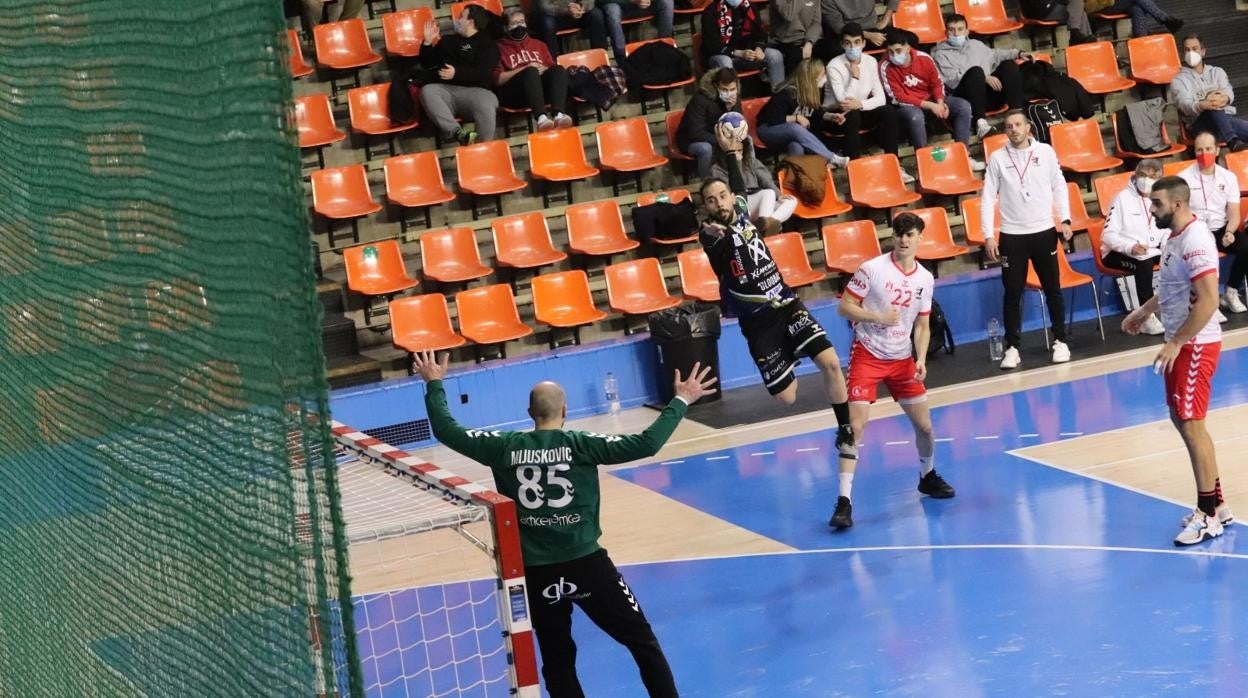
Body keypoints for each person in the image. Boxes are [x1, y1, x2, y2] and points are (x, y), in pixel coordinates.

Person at [415, 349, 718, 697]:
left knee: (558, 660)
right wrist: (682, 398)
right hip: (587, 566)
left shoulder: (503, 447)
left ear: (529, 413)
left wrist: (434, 382)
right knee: (642, 643)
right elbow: (648, 443)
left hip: (536, 572)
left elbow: (446, 429)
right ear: (565, 411)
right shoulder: (581, 445)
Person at [698, 176, 855, 454]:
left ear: (733, 197)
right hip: (758, 321)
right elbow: (721, 238)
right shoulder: (709, 235)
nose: (719, 203)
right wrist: (738, 229)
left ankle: (845, 429)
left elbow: (741, 179)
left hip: (785, 302)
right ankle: (791, 352)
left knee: (830, 362)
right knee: (787, 397)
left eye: (723, 195)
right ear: (706, 206)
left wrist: (736, 148)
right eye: (711, 199)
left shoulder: (743, 208)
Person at [827, 212, 955, 530]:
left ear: (920, 237)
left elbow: (923, 324)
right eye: (898, 233)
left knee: (925, 428)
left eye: (909, 234)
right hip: (868, 355)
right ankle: (844, 501)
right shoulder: (872, 270)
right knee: (854, 428)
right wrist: (877, 317)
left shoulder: (925, 278)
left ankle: (927, 476)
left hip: (903, 360)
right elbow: (844, 306)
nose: (903, 239)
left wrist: (921, 357)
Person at [1122, 177, 1232, 545]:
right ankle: (1218, 504)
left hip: (1195, 343)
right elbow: (1171, 289)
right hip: (1180, 341)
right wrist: (1141, 312)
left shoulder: (1197, 242)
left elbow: (1209, 301)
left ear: (1178, 204)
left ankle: (1207, 515)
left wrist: (1177, 343)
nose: (1152, 209)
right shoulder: (1175, 238)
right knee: (1185, 421)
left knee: (1191, 423)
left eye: (1157, 204)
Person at [980, 110, 1073, 368]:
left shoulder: (1045, 152)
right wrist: (988, 235)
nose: (1013, 129)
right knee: (1012, 294)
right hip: (1012, 235)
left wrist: (1065, 219)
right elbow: (988, 198)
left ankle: (1060, 341)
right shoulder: (998, 158)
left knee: (1053, 288)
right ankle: (1012, 348)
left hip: (1043, 231)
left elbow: (1059, 185)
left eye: (1018, 124)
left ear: (1028, 126)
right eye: (1008, 126)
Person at [879, 30, 982, 170]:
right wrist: (930, 105)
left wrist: (940, 102)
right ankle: (924, 163)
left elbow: (937, 83)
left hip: (932, 100)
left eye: (898, 50)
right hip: (908, 106)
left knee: (963, 106)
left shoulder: (924, 58)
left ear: (908, 48)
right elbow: (898, 97)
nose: (894, 55)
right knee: (915, 117)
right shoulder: (885, 65)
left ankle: (964, 155)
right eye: (890, 52)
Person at [1178, 132, 1247, 313]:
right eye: (1199, 150)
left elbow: (1233, 213)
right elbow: (1179, 214)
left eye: (1208, 149)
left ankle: (1231, 292)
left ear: (1217, 150)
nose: (1204, 153)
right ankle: (1208, 301)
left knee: (1245, 246)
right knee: (1203, 255)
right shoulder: (1183, 178)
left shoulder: (1228, 177)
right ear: (1194, 152)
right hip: (1195, 231)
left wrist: (1230, 232)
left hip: (1220, 228)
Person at [823, 22, 904, 177]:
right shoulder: (834, 66)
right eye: (848, 43)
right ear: (842, 44)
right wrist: (855, 76)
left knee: (888, 111)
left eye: (857, 42)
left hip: (860, 109)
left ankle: (895, 164)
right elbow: (844, 102)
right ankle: (855, 170)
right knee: (852, 114)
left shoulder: (871, 61)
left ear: (864, 43)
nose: (853, 47)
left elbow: (880, 98)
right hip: (836, 117)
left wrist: (861, 104)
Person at [931, 13, 1029, 141]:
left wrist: (1019, 53)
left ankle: (1017, 115)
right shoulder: (939, 54)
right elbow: (952, 80)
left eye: (960, 29)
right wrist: (984, 77)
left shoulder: (976, 44)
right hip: (966, 98)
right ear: (946, 32)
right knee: (976, 72)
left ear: (967, 31)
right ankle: (981, 124)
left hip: (988, 95)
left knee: (1008, 65)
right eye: (952, 30)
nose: (956, 34)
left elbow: (996, 54)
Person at [1101, 159, 1165, 335]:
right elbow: (1107, 235)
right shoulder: (1121, 198)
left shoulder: (1161, 198)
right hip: (1116, 253)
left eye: (1153, 176)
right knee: (1143, 264)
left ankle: (1188, 306)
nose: (1146, 180)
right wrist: (1130, 247)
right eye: (1143, 175)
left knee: (1179, 256)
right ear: (1135, 176)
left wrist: (1168, 245)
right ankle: (1144, 317)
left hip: (1152, 250)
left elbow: (1167, 228)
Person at [420, 5, 500, 145]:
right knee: (428, 91)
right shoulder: (447, 41)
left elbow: (483, 72)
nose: (456, 20)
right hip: (448, 91)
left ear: (470, 22)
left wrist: (457, 74)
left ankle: (483, 147)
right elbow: (427, 64)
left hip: (477, 92)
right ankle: (458, 133)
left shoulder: (487, 44)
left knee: (487, 101)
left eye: (461, 17)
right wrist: (427, 42)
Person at [756, 59, 850, 168]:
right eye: (822, 74)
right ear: (812, 77)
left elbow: (815, 113)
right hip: (768, 130)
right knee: (794, 128)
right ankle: (832, 158)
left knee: (797, 146)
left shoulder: (811, 92)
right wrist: (796, 118)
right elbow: (773, 119)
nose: (825, 77)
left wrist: (830, 116)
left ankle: (794, 178)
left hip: (792, 134)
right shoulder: (786, 93)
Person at [711, 117, 797, 235]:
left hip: (757, 202)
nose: (737, 153)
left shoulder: (750, 160)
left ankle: (764, 225)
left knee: (791, 201)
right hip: (739, 205)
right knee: (768, 193)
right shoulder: (717, 168)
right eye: (734, 151)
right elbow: (729, 193)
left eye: (740, 150)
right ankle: (763, 231)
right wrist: (735, 163)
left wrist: (779, 195)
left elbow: (765, 179)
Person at [494, 9, 574, 132]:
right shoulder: (498, 48)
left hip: (541, 92)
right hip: (515, 94)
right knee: (530, 71)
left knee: (558, 69)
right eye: (514, 23)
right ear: (506, 27)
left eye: (522, 22)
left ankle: (559, 114)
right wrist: (525, 68)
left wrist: (544, 69)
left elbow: (551, 70)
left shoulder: (539, 44)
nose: (519, 26)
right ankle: (541, 118)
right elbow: (498, 79)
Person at [1169, 35, 1248, 154]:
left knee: (1215, 102)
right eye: (1187, 50)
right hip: (1199, 126)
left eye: (1195, 48)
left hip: (1226, 121)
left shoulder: (1217, 72)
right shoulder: (1178, 80)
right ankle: (1232, 140)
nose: (1191, 53)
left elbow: (1228, 91)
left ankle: (1233, 141)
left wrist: (1225, 99)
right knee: (1212, 103)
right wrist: (1202, 105)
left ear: (1203, 51)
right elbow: (1184, 104)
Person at [700, 0, 785, 89]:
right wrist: (738, 53)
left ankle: (779, 96)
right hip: (720, 55)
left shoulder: (750, 7)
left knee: (775, 55)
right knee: (725, 61)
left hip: (747, 53)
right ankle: (732, 100)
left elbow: (760, 34)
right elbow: (712, 47)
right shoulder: (711, 12)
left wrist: (759, 48)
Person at [675, 67, 742, 179]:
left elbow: (739, 124)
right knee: (706, 148)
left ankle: (744, 180)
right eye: (725, 90)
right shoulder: (699, 100)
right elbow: (695, 133)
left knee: (746, 140)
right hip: (691, 140)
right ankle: (708, 183)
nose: (729, 93)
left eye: (732, 89)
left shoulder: (735, 98)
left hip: (720, 138)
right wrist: (722, 141)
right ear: (716, 87)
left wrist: (730, 109)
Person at [600, 0, 673, 64]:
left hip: (647, 5)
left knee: (667, 1)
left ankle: (666, 49)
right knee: (612, 10)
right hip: (621, 8)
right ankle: (622, 60)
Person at [537, 0, 609, 58]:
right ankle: (554, 64)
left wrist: (581, 6)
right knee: (547, 22)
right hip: (557, 17)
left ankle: (601, 58)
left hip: (579, 12)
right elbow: (543, 6)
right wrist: (567, 10)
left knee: (596, 14)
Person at [768, 0, 821, 75]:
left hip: (807, 40)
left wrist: (809, 42)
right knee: (797, 56)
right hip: (785, 41)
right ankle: (793, 86)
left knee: (835, 50)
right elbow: (788, 15)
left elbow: (817, 23)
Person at [821, 0, 898, 50]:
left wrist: (885, 20)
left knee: (907, 39)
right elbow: (839, 28)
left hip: (873, 29)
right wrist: (868, 35)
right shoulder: (827, 1)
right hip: (847, 35)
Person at [1019, 0, 1094, 46]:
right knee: (1079, 11)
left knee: (1078, 10)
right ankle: (1079, 41)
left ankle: (1077, 37)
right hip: (1039, 11)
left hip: (1045, 8)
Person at [1102, 0, 1182, 38]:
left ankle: (1141, 39)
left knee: (1138, 8)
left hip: (1123, 3)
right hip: (1104, 6)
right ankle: (1166, 20)